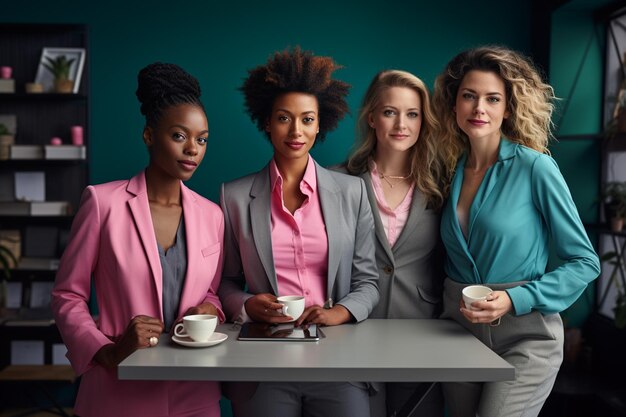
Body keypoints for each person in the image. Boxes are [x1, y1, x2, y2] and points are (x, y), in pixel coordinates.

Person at [432, 46, 601, 417]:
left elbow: (585, 262)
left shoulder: (536, 168)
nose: (479, 108)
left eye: (492, 99)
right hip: (458, 330)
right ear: (455, 104)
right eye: (469, 96)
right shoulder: (448, 171)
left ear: (507, 108)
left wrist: (514, 299)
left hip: (526, 334)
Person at [51, 62, 224, 417]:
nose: (192, 148)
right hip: (119, 390)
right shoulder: (102, 203)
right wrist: (107, 351)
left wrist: (211, 309)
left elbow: (210, 292)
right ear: (149, 135)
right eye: (179, 136)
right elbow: (68, 296)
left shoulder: (212, 215)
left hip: (195, 393)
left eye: (201, 139)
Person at [218, 47, 379, 417]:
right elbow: (224, 282)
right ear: (267, 123)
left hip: (338, 355)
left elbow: (368, 281)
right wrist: (246, 305)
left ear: (320, 123)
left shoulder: (352, 192)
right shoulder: (235, 196)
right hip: (262, 359)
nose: (296, 131)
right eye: (284, 118)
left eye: (307, 119)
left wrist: (340, 312)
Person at [344, 70, 445, 417]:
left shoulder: (442, 185)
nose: (401, 124)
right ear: (371, 117)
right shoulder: (338, 181)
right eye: (390, 112)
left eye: (412, 114)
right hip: (353, 331)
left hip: (421, 331)